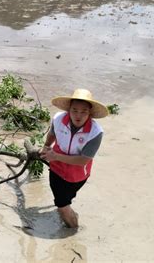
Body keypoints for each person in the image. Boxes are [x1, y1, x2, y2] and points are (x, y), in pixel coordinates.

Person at [40, 89, 108, 228]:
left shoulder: (95, 132)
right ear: (69, 110)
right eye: (74, 110)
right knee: (62, 204)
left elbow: (84, 160)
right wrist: (46, 146)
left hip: (77, 176)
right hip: (56, 169)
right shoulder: (58, 119)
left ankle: (74, 231)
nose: (78, 115)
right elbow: (52, 134)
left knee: (63, 204)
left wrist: (56, 156)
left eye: (84, 112)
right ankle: (70, 224)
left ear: (90, 113)